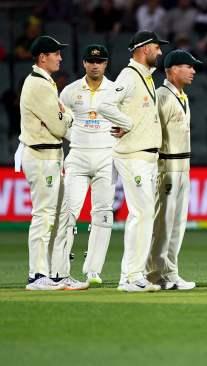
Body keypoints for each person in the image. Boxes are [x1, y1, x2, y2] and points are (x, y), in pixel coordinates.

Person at [99, 30, 168, 292]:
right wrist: (125, 123)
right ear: (143, 49)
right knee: (141, 214)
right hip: (133, 156)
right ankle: (129, 277)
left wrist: (126, 122)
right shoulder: (129, 75)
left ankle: (133, 274)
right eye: (156, 48)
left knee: (143, 214)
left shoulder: (146, 77)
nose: (160, 52)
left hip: (146, 156)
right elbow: (106, 104)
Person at [16, 35, 81, 290]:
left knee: (60, 216)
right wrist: (66, 117)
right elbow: (59, 125)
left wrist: (65, 115)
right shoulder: (39, 85)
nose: (60, 57)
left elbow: (62, 116)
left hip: (52, 157)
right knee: (44, 216)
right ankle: (37, 275)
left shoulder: (45, 82)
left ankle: (56, 273)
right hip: (42, 157)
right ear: (43, 57)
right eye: (56, 53)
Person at [58, 44, 115, 286]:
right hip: (78, 156)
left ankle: (93, 270)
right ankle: (60, 270)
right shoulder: (70, 92)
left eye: (100, 61)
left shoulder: (115, 91)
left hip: (106, 158)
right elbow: (59, 123)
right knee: (68, 213)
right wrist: (76, 138)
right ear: (83, 63)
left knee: (103, 214)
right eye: (91, 61)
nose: (95, 65)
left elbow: (125, 122)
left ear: (106, 64)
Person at [147, 50, 201, 291]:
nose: (193, 71)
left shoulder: (182, 96)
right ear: (171, 70)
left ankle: (170, 272)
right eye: (188, 66)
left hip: (183, 166)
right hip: (167, 167)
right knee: (164, 224)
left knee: (177, 224)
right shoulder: (161, 97)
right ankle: (154, 274)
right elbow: (152, 133)